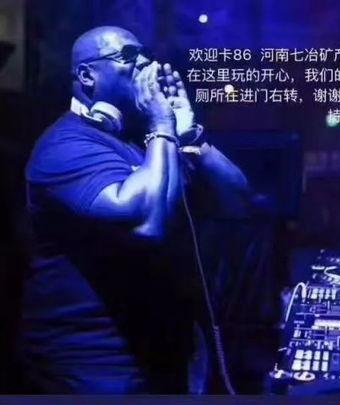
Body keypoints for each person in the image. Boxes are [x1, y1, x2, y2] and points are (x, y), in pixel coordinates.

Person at [21, 26, 250, 394]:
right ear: (87, 76)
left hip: (162, 349)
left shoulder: (149, 142)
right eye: (128, 56)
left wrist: (189, 133)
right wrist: (161, 125)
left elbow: (237, 199)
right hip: (95, 359)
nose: (145, 62)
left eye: (145, 53)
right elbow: (147, 223)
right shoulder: (64, 145)